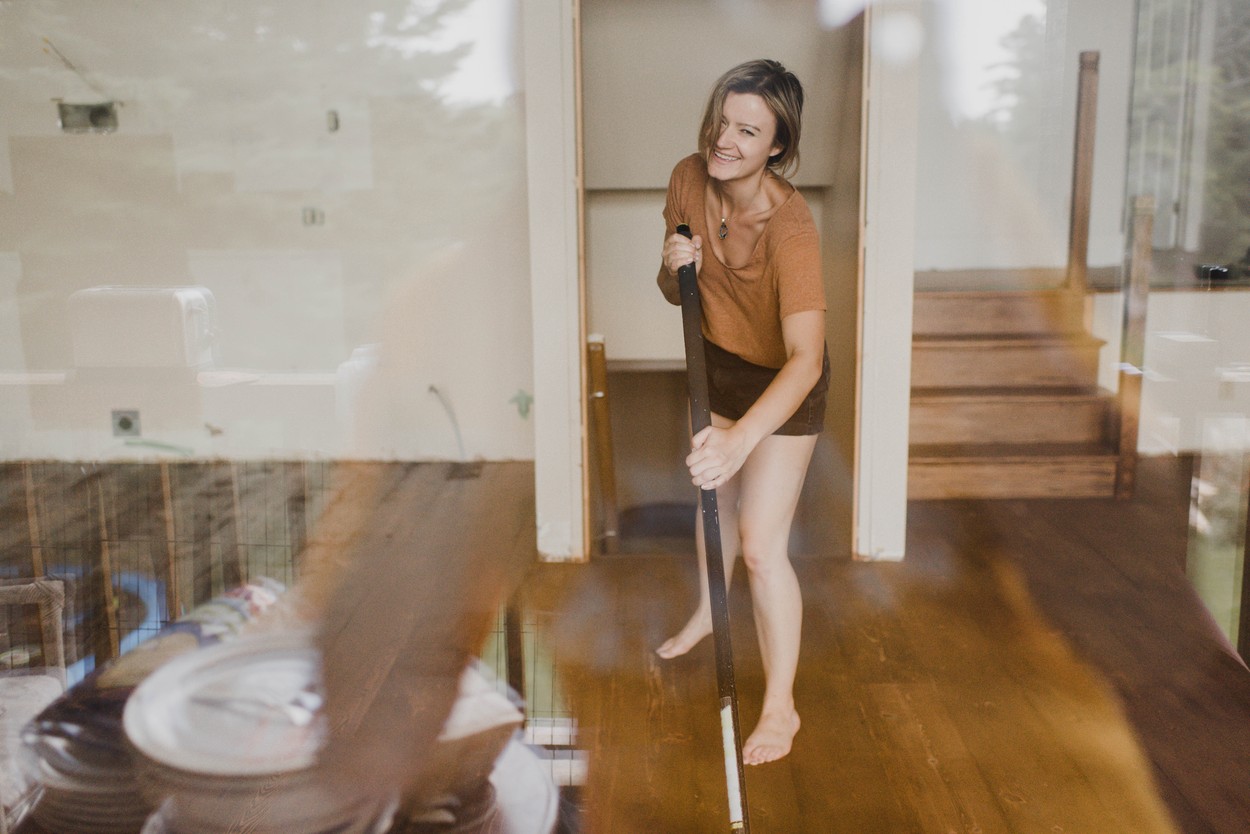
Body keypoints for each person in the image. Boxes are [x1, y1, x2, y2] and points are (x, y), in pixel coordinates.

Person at [655, 58, 828, 766]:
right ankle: (707, 608)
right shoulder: (688, 178)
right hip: (716, 367)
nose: (725, 140)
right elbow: (676, 291)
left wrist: (741, 440)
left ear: (777, 147)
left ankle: (782, 708)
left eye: (747, 131)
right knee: (710, 509)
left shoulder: (792, 228)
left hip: (784, 384)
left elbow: (806, 359)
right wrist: (672, 266)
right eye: (722, 120)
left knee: (758, 544)